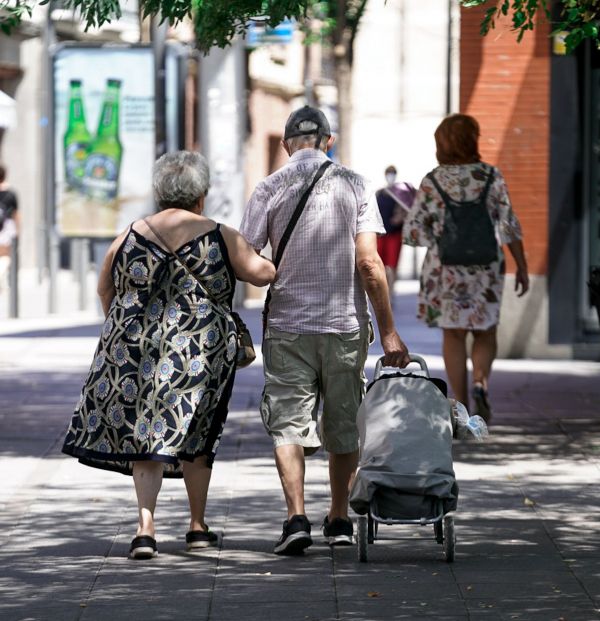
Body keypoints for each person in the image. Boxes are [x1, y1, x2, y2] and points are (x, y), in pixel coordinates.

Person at [62, 151, 275, 559]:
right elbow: (262, 273)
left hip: (137, 349)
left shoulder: (129, 233)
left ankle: (145, 529)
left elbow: (105, 287)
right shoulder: (219, 233)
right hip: (201, 352)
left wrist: (124, 328)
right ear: (202, 195)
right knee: (199, 432)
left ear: (159, 193)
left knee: (146, 435)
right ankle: (197, 527)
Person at [240, 106, 409, 556]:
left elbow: (248, 258)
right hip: (344, 326)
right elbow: (370, 263)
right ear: (329, 141)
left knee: (288, 424)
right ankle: (338, 519)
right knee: (343, 423)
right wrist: (389, 331)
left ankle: (295, 517)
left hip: (287, 327)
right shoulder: (355, 185)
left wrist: (270, 274)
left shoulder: (268, 188)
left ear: (286, 144)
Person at [403, 114, 529, 422]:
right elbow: (509, 224)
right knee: (485, 331)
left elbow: (412, 232)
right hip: (485, 267)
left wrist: (438, 235)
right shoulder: (490, 176)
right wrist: (522, 266)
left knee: (454, 335)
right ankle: (480, 383)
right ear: (472, 140)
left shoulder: (433, 181)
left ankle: (460, 407)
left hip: (446, 270)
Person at [376, 165, 416, 298]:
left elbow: (408, 210)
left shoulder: (401, 193)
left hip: (394, 234)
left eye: (392, 173)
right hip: (381, 234)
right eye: (389, 173)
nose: (390, 175)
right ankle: (383, 291)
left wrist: (399, 218)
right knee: (380, 265)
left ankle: (390, 293)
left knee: (392, 266)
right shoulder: (380, 193)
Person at [0, 164, 19, 292]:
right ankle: (1, 276)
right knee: (6, 255)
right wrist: (18, 230)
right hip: (6, 226)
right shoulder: (11, 194)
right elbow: (16, 214)